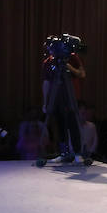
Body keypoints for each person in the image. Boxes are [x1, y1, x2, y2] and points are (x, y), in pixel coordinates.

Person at [40, 34, 87, 164]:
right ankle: (64, 153)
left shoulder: (71, 57)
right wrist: (45, 102)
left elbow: (82, 74)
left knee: (73, 125)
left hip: (71, 97)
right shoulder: (47, 62)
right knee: (60, 126)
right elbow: (46, 83)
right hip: (56, 99)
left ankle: (77, 153)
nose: (51, 50)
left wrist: (68, 66)